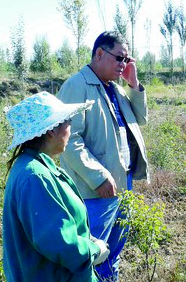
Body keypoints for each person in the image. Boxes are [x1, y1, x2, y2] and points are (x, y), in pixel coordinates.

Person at [57, 31, 149, 281]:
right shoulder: (77, 86)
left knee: (113, 251)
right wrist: (98, 178)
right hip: (94, 189)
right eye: (119, 58)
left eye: (127, 60)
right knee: (94, 254)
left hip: (121, 183)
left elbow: (141, 118)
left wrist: (133, 83)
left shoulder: (115, 89)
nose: (123, 65)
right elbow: (69, 139)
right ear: (99, 53)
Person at [2, 91, 110, 282]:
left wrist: (87, 240)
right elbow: (59, 243)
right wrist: (95, 251)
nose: (70, 126)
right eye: (67, 120)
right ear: (52, 130)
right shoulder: (36, 177)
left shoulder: (34, 168)